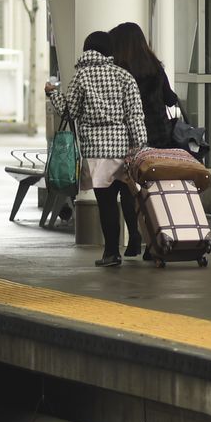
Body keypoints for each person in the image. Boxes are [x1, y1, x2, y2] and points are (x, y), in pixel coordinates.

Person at [46, 31, 146, 267]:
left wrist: (52, 94)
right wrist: (139, 145)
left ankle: (111, 252)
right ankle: (134, 238)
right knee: (128, 195)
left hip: (96, 150)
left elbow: (70, 111)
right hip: (123, 147)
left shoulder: (82, 76)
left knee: (107, 203)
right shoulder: (124, 76)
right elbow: (135, 114)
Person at [108, 22, 181, 257]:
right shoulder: (155, 67)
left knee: (127, 189)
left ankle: (134, 237)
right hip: (159, 137)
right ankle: (154, 240)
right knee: (153, 189)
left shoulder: (119, 69)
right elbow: (171, 99)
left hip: (128, 138)